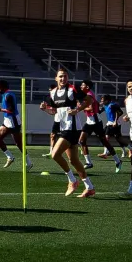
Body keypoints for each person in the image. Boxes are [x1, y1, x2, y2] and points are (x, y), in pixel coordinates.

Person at [40, 68, 96, 198]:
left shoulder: (72, 89)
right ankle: (89, 187)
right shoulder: (53, 92)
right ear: (56, 78)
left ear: (68, 78)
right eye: (60, 76)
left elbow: (89, 100)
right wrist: (45, 109)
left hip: (72, 128)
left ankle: (72, 180)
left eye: (65, 76)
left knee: (55, 154)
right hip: (63, 128)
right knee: (74, 160)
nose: (63, 78)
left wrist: (78, 109)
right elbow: (54, 111)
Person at [0, 79, 30, 169]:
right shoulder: (5, 95)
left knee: (18, 143)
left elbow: (11, 110)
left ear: (4, 88)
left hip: (13, 121)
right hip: (7, 120)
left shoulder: (8, 96)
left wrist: (0, 110)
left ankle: (28, 162)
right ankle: (10, 157)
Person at [77, 80, 102, 170]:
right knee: (81, 141)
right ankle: (88, 162)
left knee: (104, 140)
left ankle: (117, 159)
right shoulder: (87, 94)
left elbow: (91, 108)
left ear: (87, 87)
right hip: (90, 121)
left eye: (82, 85)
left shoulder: (89, 95)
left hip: (94, 121)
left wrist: (81, 107)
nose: (81, 86)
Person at [99, 94, 127, 171]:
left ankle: (105, 153)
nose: (101, 101)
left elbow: (120, 112)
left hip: (114, 124)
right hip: (109, 123)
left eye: (103, 100)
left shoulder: (112, 105)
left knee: (106, 137)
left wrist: (115, 121)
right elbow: (99, 111)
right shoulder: (105, 106)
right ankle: (126, 150)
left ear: (107, 100)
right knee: (118, 138)